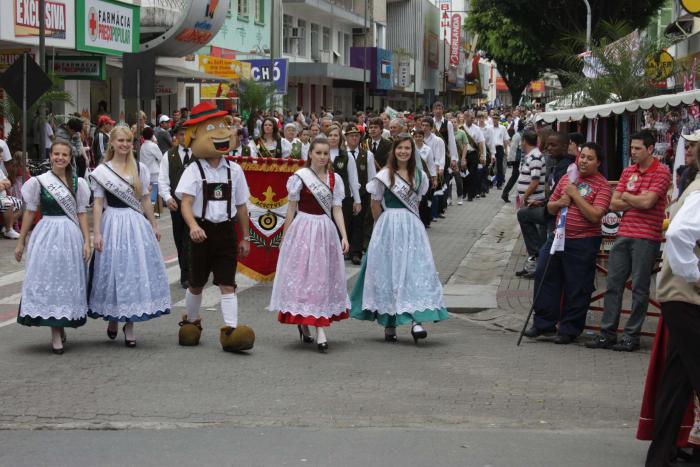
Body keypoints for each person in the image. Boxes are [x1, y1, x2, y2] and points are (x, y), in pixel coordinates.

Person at [350, 135, 448, 343]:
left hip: (411, 227)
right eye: (400, 148)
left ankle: (415, 320)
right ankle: (389, 322)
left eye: (407, 148)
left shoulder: (419, 175)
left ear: (412, 152)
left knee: (413, 271)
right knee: (389, 272)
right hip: (388, 226)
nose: (403, 151)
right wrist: (380, 228)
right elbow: (375, 204)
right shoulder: (385, 175)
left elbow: (418, 202)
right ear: (393, 151)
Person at [175, 102, 254, 353]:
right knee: (196, 283)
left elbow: (242, 206)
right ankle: (191, 321)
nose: (220, 133)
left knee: (227, 283)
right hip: (202, 231)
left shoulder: (235, 170)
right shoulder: (193, 170)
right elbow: (185, 203)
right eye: (211, 128)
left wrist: (246, 237)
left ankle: (231, 329)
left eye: (222, 126)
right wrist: (193, 227)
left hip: (226, 232)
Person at [587, 130, 671, 352]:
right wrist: (637, 198)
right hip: (624, 234)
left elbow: (649, 202)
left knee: (640, 289)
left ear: (650, 149)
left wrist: (627, 197)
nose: (632, 152)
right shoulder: (627, 171)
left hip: (647, 236)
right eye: (631, 148)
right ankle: (607, 333)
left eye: (637, 148)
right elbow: (614, 204)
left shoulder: (662, 172)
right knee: (613, 284)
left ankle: (631, 336)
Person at [88, 126, 171, 347]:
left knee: (132, 272)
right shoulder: (102, 171)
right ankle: (114, 317)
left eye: (128, 141)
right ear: (112, 143)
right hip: (112, 223)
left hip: (135, 224)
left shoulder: (140, 169)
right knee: (114, 272)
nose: (124, 144)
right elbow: (97, 203)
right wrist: (96, 232)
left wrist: (153, 225)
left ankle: (130, 324)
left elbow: (145, 199)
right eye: (121, 141)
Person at [523, 143, 612, 344]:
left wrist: (575, 196)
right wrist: (560, 202)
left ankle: (569, 328)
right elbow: (550, 208)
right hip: (557, 237)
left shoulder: (602, 185)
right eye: (582, 157)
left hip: (583, 241)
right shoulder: (567, 178)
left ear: (598, 162)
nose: (584, 161)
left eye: (590, 158)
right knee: (544, 276)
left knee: (577, 285)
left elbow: (595, 215)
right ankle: (543, 323)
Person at [644, 152, 700, 467]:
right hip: (686, 296)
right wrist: (696, 275)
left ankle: (660, 455)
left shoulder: (694, 188)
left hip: (681, 295)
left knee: (677, 380)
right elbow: (678, 234)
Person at [267, 137, 349, 353]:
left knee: (321, 278)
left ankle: (318, 326)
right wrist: (284, 237)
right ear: (310, 154)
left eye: (325, 153)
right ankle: (308, 323)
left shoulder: (334, 179)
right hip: (303, 229)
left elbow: (337, 209)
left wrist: (344, 235)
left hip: (325, 230)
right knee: (304, 277)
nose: (322, 157)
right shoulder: (299, 178)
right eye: (318, 153)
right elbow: (291, 209)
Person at [14, 141, 91, 354]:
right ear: (51, 156)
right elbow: (30, 212)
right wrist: (21, 241)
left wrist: (87, 240)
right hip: (47, 234)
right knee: (49, 279)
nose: (60, 158)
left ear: (69, 157)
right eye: (56, 154)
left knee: (66, 280)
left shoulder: (78, 183)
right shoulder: (40, 182)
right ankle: (55, 331)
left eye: (64, 154)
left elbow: (82, 213)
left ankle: (62, 321)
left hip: (70, 235)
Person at [158, 124, 192, 289]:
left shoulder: (199, 154)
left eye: (187, 134)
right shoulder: (169, 156)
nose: (184, 137)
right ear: (176, 137)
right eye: (181, 134)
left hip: (195, 205)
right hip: (176, 205)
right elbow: (163, 179)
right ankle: (185, 270)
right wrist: (167, 197)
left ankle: (188, 275)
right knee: (180, 240)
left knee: (190, 239)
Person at [514, 130, 546, 278]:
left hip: (534, 202)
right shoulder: (531, 156)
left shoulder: (535, 156)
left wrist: (524, 198)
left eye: (521, 141)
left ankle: (536, 260)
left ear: (524, 141)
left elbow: (535, 181)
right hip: (530, 201)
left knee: (527, 222)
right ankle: (533, 261)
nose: (520, 144)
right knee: (530, 231)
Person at [327, 125, 361, 257]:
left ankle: (338, 256)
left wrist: (357, 201)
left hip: (343, 199)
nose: (333, 138)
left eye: (335, 135)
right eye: (330, 135)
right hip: (323, 198)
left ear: (340, 138)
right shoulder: (320, 153)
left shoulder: (347, 156)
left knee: (340, 229)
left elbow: (353, 179)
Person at [345, 125, 376, 264]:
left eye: (356, 135)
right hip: (345, 194)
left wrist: (372, 195)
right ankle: (346, 249)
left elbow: (371, 176)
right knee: (346, 222)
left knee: (358, 223)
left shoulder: (367, 154)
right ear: (346, 137)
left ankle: (356, 252)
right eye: (351, 135)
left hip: (362, 193)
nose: (354, 138)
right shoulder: (341, 154)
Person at [414, 128, 438, 227]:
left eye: (420, 136)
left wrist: (434, 178)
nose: (418, 138)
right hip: (413, 177)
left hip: (425, 178)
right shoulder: (411, 148)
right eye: (416, 136)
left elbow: (431, 165)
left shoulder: (427, 149)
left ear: (423, 138)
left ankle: (425, 221)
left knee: (424, 200)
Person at [139, 126, 163, 217]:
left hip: (145, 172)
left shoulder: (142, 146)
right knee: (154, 191)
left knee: (146, 191)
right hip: (154, 171)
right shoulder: (153, 146)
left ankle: (147, 210)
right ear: (152, 135)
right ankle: (151, 211)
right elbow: (160, 157)